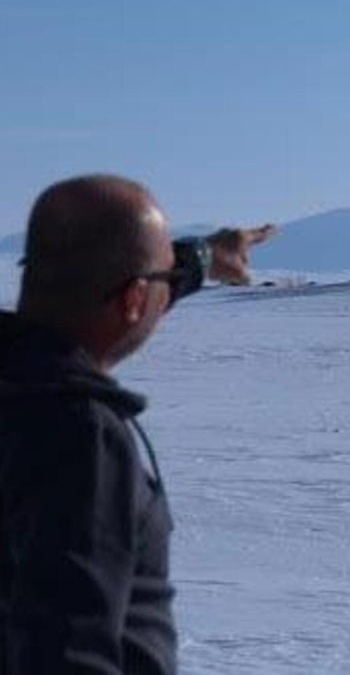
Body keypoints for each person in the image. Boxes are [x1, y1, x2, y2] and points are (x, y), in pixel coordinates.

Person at [0, 174, 274, 674]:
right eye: (165, 284)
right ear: (133, 300)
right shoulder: (79, 439)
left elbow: (121, 283)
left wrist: (206, 259)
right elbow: (66, 656)